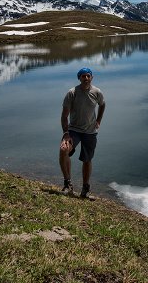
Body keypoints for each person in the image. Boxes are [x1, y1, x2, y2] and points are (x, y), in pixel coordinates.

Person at [59, 67, 106, 199]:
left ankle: (85, 189)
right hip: (74, 130)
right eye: (83, 76)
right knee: (64, 150)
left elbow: (102, 104)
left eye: (88, 76)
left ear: (91, 77)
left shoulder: (97, 92)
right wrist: (66, 133)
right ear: (79, 78)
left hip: (90, 132)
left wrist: (98, 120)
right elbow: (64, 116)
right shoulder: (72, 93)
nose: (86, 78)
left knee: (87, 160)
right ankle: (67, 184)